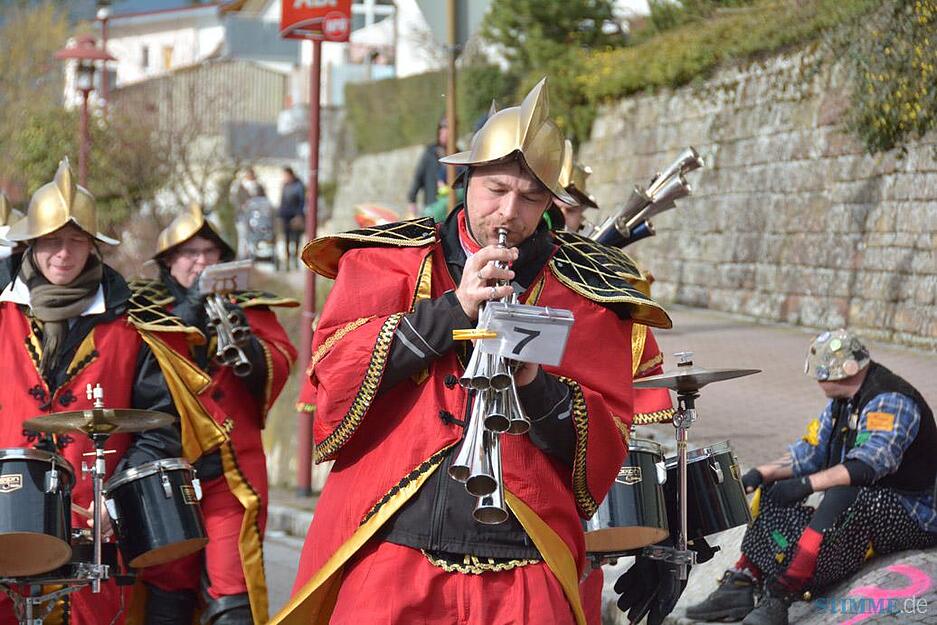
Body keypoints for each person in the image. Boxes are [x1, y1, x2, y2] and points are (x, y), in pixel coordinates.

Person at [270, 79, 672, 625]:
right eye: (496, 190)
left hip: (523, 559)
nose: (509, 212)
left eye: (531, 198)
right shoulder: (388, 260)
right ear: (465, 181)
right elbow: (335, 374)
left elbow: (602, 444)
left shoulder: (587, 294)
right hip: (394, 543)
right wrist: (452, 310)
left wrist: (534, 383)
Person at [0, 159, 189, 625]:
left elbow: (160, 429)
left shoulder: (136, 325)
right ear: (30, 244)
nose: (62, 254)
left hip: (94, 539)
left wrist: (113, 503)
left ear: (94, 248)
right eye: (51, 241)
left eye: (76, 241)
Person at [687, 328, 937, 625]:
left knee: (842, 497)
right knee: (775, 488)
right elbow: (810, 453)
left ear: (845, 370)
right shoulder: (843, 402)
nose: (817, 380)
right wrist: (760, 475)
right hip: (873, 497)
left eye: (822, 373)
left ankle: (781, 596)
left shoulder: (890, 399)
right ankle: (742, 581)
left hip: (914, 510)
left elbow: (868, 467)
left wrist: (805, 485)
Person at [131, 203, 297, 625]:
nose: (201, 262)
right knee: (168, 579)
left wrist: (248, 344)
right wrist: (183, 320)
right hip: (166, 467)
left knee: (232, 580)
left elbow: (280, 361)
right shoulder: (141, 309)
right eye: (190, 253)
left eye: (209, 252)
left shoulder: (248, 305)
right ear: (169, 261)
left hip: (230, 466)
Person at [407, 117, 449, 217]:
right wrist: (412, 201)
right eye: (442, 129)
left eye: (447, 129)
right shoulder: (430, 153)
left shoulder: (457, 153)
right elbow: (418, 177)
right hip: (432, 205)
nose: (444, 133)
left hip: (451, 207)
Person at [231, 168, 267, 259]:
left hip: (256, 216)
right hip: (242, 216)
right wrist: (242, 206)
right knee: (242, 237)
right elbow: (234, 200)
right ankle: (242, 257)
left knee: (253, 238)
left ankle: (252, 257)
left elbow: (263, 200)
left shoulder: (259, 186)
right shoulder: (239, 186)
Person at [278, 167, 305, 270]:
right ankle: (288, 261)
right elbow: (282, 200)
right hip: (285, 215)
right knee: (287, 238)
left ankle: (295, 260)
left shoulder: (298, 185)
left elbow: (302, 201)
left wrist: (299, 215)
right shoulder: (284, 185)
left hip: (296, 215)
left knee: (296, 239)